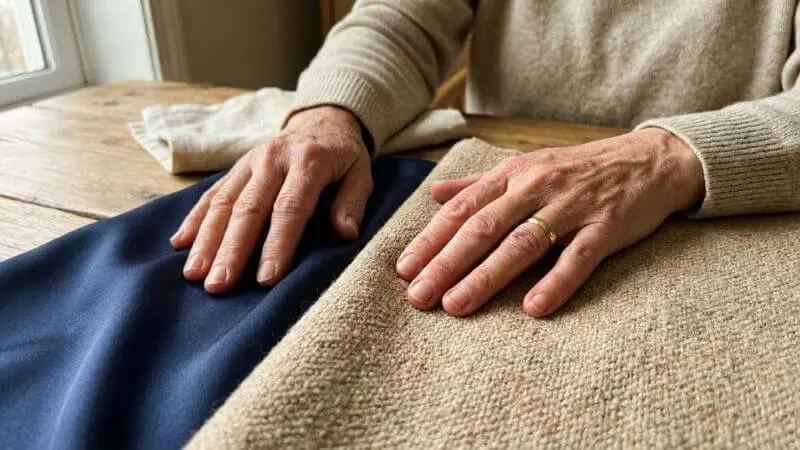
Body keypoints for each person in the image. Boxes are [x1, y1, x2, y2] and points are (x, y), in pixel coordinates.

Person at [170, 1, 800, 318]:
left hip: (723, 209)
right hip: (490, 185)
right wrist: (331, 113)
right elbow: (400, 18)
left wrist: (661, 157)